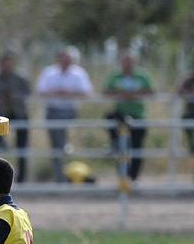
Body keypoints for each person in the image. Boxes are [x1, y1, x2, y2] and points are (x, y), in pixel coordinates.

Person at [36, 47, 93, 182]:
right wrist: (56, 93)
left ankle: (66, 158)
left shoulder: (79, 73)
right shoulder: (49, 72)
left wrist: (68, 94)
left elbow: (87, 92)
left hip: (70, 112)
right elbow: (41, 91)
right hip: (53, 110)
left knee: (60, 144)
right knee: (56, 145)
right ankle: (59, 175)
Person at [0, 52, 31, 182]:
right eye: (4, 65)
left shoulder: (19, 78)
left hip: (19, 113)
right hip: (4, 113)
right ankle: (2, 144)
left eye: (8, 64)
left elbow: (28, 92)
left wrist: (14, 96)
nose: (6, 67)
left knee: (22, 147)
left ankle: (22, 178)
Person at [104, 52, 153, 181]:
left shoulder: (142, 76)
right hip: (120, 116)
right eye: (125, 61)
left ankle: (133, 178)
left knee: (137, 149)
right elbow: (106, 91)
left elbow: (151, 91)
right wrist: (121, 94)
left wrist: (134, 95)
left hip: (138, 116)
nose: (127, 64)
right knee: (121, 148)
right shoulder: (115, 76)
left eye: (130, 61)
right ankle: (122, 178)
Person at [178, 55, 194, 181]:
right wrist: (190, 94)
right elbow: (179, 91)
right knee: (185, 118)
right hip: (192, 114)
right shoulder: (190, 78)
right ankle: (191, 143)